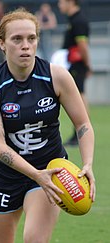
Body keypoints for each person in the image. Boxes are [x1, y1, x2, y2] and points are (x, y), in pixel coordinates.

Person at [0, 8, 95, 243]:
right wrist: (34, 174)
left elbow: (83, 124)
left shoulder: (57, 76)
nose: (25, 45)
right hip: (4, 176)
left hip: (50, 171)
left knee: (34, 240)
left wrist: (88, 163)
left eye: (31, 38)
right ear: (1, 44)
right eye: (16, 39)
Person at [58, 0, 92, 146]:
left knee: (79, 96)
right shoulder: (72, 20)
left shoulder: (78, 21)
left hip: (77, 65)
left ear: (70, 2)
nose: (59, 5)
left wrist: (87, 65)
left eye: (61, 2)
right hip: (72, 65)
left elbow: (82, 45)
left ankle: (82, 132)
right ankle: (78, 133)